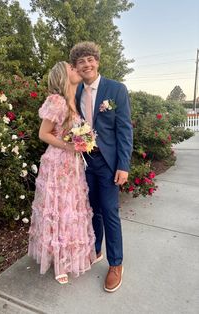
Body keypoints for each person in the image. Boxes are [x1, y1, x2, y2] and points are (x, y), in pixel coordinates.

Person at [70, 42, 133, 292]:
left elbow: (124, 129)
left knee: (109, 212)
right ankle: (95, 249)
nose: (86, 64)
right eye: (81, 61)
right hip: (84, 162)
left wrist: (123, 165)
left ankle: (115, 263)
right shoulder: (74, 92)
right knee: (91, 210)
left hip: (108, 163)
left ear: (97, 61)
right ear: (76, 67)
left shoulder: (116, 89)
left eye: (90, 59)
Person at [28, 61, 96, 285]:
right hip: (58, 163)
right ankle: (58, 261)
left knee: (71, 209)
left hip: (73, 165)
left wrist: (84, 142)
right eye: (70, 67)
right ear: (62, 75)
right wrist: (69, 146)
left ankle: (70, 256)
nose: (75, 68)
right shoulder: (56, 100)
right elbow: (43, 134)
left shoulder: (75, 102)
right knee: (58, 209)